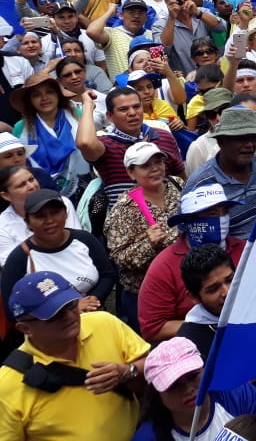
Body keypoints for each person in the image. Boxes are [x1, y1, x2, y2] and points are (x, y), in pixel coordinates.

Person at [0, 270, 151, 440]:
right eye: (54, 315)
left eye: (71, 305)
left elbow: (154, 365)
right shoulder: (8, 385)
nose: (70, 316)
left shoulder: (105, 323)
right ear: (25, 329)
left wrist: (128, 371)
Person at [137, 183, 247, 343]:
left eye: (225, 212)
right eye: (212, 214)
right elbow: (153, 329)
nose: (221, 219)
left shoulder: (244, 250)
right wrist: (208, 328)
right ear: (189, 222)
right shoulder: (163, 266)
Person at [134, 336, 256, 441]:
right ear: (156, 392)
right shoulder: (147, 437)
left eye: (193, 376)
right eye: (174, 385)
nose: (188, 389)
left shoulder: (239, 395)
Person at [104, 142, 182, 330]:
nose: (155, 169)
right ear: (131, 173)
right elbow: (119, 258)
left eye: (158, 162)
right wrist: (149, 244)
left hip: (183, 284)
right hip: (147, 295)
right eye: (146, 166)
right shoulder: (123, 210)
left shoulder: (177, 185)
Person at [1, 188, 116, 314]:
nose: (50, 221)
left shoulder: (85, 240)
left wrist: (94, 298)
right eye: (40, 216)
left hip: (93, 316)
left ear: (66, 214)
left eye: (55, 213)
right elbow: (12, 308)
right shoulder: (19, 258)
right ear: (28, 222)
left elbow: (108, 274)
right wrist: (70, 309)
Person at [181, 107, 256, 240]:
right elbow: (187, 234)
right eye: (241, 138)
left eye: (253, 138)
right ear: (221, 141)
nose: (249, 145)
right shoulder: (200, 183)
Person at [0, 163, 81, 268]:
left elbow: (77, 243)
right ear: (6, 196)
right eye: (21, 185)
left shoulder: (62, 203)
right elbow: (11, 265)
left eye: (31, 179)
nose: (31, 186)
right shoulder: (2, 225)